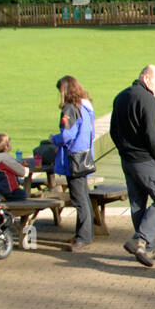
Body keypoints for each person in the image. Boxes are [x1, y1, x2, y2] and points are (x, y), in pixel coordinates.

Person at [110, 65, 155, 267]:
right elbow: (151, 134)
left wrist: (123, 150)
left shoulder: (120, 97)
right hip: (145, 160)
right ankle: (141, 239)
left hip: (127, 160)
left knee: (138, 203)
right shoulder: (148, 100)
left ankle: (147, 247)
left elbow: (113, 131)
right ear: (146, 78)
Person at [51, 75, 96, 252]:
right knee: (84, 196)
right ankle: (85, 233)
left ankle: (83, 237)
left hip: (74, 159)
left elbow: (66, 136)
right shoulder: (85, 107)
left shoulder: (70, 109)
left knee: (79, 199)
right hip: (85, 156)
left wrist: (53, 139)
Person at [0, 133, 30, 201]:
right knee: (24, 194)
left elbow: (8, 168)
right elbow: (22, 172)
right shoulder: (6, 159)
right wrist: (27, 168)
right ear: (6, 147)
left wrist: (18, 164)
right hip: (10, 191)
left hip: (0, 189)